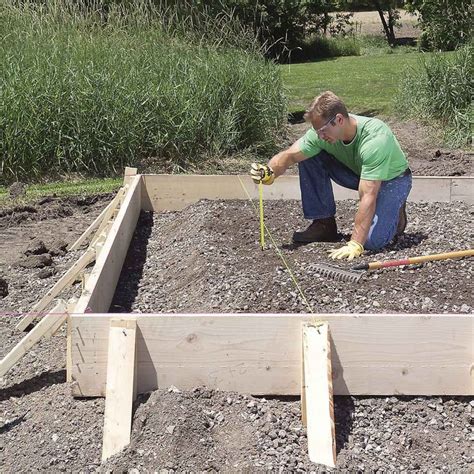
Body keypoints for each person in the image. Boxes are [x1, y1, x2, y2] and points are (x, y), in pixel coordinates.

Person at [250, 91, 412, 260]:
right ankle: (324, 224)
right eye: (316, 130)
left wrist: (355, 243)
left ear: (339, 120)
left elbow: (368, 194)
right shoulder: (322, 134)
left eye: (322, 130)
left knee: (372, 242)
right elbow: (290, 155)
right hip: (360, 174)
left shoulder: (375, 138)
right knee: (309, 156)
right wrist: (269, 172)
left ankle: (397, 214)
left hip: (393, 181)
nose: (319, 136)